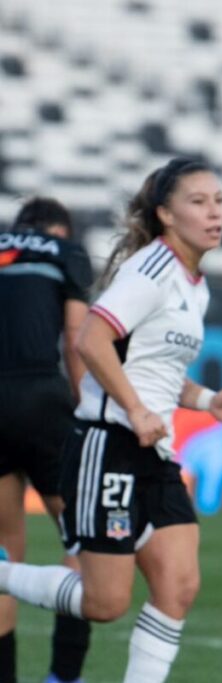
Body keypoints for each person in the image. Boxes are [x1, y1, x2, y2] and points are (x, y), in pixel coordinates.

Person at [0, 158, 222, 683]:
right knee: (104, 602)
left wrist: (210, 402)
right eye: (198, 201)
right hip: (108, 445)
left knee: (179, 587)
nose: (215, 213)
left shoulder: (196, 285)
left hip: (154, 454)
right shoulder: (152, 269)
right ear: (165, 214)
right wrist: (135, 410)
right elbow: (90, 338)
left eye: (220, 200)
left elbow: (151, 370)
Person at [0, 198, 93, 683]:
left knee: (2, 562)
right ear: (60, 229)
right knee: (82, 542)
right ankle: (63, 676)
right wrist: (87, 412)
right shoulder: (66, 251)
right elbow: (76, 338)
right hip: (42, 401)